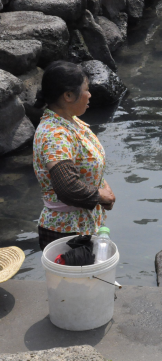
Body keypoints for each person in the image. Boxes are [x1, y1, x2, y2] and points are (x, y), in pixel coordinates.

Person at [32, 61, 116, 251]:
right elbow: (67, 186)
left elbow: (84, 165)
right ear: (68, 95)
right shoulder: (55, 134)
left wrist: (103, 185)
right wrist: (100, 196)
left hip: (82, 226)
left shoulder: (70, 121)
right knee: (74, 281)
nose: (90, 94)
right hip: (65, 233)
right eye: (86, 89)